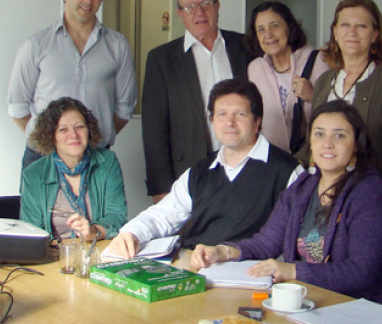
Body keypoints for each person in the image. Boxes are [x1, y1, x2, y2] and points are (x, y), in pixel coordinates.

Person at [191, 100, 382, 308]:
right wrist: (222, 252)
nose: (327, 143)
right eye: (319, 134)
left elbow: (360, 272)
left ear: (356, 144)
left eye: (339, 135)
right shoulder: (304, 187)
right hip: (310, 303)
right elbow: (265, 243)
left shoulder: (370, 193)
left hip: (363, 312)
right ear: (310, 141)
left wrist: (293, 271)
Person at [105, 78, 302, 259]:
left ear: (257, 121)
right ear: (212, 121)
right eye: (222, 114)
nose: (229, 123)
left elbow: (294, 239)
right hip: (196, 268)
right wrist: (131, 233)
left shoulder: (288, 172)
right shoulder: (200, 171)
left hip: (251, 275)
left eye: (240, 114)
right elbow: (163, 215)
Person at [7, 0, 137, 173]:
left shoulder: (118, 46)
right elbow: (17, 106)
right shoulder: (37, 45)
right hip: (43, 158)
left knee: (97, 209)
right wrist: (48, 142)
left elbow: (124, 109)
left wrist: (94, 139)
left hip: (96, 157)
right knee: (40, 209)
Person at [298, 0, 382, 208]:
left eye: (361, 26)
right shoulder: (325, 81)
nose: (352, 32)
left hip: (371, 201)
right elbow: (310, 144)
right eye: (345, 25)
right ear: (335, 32)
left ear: (375, 34)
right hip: (321, 199)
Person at [142, 0, 250, 200]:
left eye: (206, 3)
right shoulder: (161, 59)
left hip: (246, 168)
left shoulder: (246, 47)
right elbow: (154, 131)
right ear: (180, 13)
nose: (199, 12)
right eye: (190, 7)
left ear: (217, 6)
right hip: (190, 172)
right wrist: (161, 189)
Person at [20, 97, 127, 242]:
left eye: (79, 127)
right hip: (54, 254)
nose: (74, 135)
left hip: (97, 249)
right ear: (51, 136)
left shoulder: (107, 162)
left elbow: (117, 215)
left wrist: (94, 231)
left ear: (89, 130)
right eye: (63, 129)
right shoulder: (33, 174)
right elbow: (31, 232)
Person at [245, 1, 329, 153]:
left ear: (290, 27)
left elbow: (341, 112)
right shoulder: (255, 69)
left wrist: (313, 96)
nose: (268, 34)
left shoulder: (320, 61)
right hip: (273, 163)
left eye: (274, 26)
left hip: (315, 158)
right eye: (261, 30)